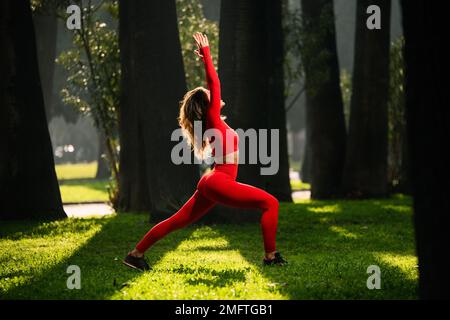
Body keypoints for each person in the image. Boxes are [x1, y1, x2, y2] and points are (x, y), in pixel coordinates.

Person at [123, 32, 287, 271]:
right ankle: (270, 256)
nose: (215, 96)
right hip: (218, 180)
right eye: (210, 96)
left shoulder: (214, 123)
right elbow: (215, 82)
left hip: (212, 180)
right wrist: (207, 54)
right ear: (206, 105)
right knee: (271, 203)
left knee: (177, 220)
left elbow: (214, 89)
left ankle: (135, 254)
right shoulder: (211, 119)